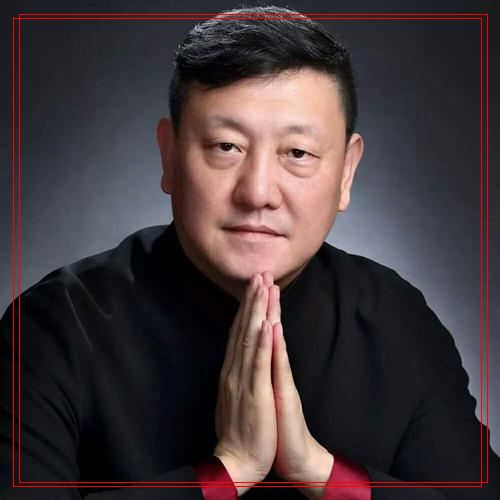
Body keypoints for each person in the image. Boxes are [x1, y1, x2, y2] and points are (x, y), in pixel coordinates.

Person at [1, 5, 499, 500]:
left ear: (346, 172)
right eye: (226, 147)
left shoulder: (395, 319)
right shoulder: (55, 326)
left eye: (297, 153)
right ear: (169, 155)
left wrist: (321, 473)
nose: (258, 192)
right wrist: (228, 472)